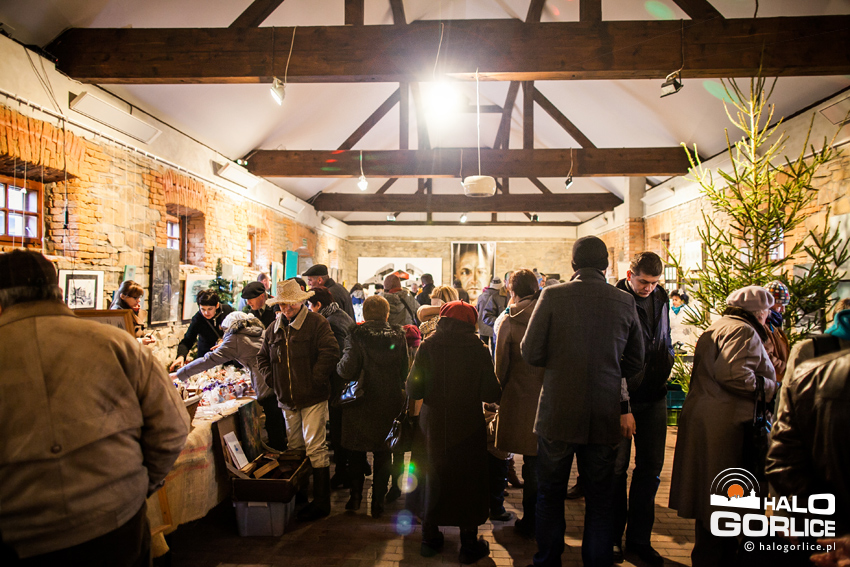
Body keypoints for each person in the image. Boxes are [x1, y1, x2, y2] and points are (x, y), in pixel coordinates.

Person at [0, 250, 189, 565]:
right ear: (57, 291)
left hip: (20, 532)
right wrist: (138, 484)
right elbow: (173, 427)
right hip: (115, 519)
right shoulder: (116, 342)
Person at [521, 235, 642, 567]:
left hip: (558, 408)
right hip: (604, 410)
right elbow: (636, 360)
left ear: (573, 264)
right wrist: (608, 370)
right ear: (606, 265)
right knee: (600, 498)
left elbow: (530, 352)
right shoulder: (624, 301)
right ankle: (597, 561)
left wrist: (559, 363)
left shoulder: (553, 295)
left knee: (550, 493)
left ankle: (548, 560)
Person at [669, 286, 778, 567]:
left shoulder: (721, 325)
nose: (768, 317)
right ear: (758, 312)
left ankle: (710, 556)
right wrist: (772, 387)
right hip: (727, 424)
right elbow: (734, 374)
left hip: (711, 420)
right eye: (766, 312)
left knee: (713, 500)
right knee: (725, 499)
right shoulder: (743, 331)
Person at [407, 301, 501, 564]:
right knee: (467, 480)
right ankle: (468, 543)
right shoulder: (479, 349)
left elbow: (414, 390)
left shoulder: (428, 346)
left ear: (443, 319)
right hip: (467, 425)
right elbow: (491, 392)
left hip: (433, 425)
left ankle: (429, 538)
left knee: (431, 476)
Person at [256, 280, 341, 521]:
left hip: (313, 397)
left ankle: (322, 503)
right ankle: (300, 496)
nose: (286, 308)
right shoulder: (273, 328)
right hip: (286, 399)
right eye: (282, 304)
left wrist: (315, 379)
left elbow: (330, 352)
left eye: (291, 303)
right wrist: (273, 380)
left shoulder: (317, 323)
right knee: (294, 448)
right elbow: (262, 358)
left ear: (301, 301)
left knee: (315, 447)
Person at [612, 252, 674, 565]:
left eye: (654, 282)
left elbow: (663, 335)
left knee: (650, 470)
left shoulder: (661, 297)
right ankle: (612, 538)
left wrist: (667, 361)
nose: (649, 288)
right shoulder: (615, 300)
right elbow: (613, 355)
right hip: (623, 398)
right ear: (629, 274)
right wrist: (623, 403)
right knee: (616, 470)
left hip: (655, 394)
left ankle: (639, 539)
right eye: (644, 281)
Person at [766, 348, 850, 565]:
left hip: (821, 532)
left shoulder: (811, 373)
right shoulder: (812, 368)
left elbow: (782, 461)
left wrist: (808, 520)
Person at [171, 311, 287, 450]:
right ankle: (283, 450)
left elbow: (208, 360)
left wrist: (179, 374)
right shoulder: (258, 332)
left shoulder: (235, 339)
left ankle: (278, 452)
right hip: (278, 380)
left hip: (265, 382)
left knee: (273, 420)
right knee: (279, 418)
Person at [336, 295, 408, 517]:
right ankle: (378, 502)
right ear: (387, 314)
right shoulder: (399, 336)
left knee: (357, 452)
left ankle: (355, 498)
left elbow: (346, 370)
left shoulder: (356, 336)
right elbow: (405, 371)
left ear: (364, 314)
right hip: (389, 401)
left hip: (360, 401)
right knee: (383, 453)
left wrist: (339, 365)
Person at [494, 268, 545, 538]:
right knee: (542, 462)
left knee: (526, 461)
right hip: (549, 397)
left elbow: (500, 366)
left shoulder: (510, 319)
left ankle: (529, 520)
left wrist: (496, 395)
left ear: (511, 291)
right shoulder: (550, 315)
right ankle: (543, 518)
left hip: (519, 397)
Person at [307, 286, 358, 490]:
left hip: (339, 385)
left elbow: (336, 357)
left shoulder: (330, 323)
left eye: (310, 305)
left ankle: (343, 473)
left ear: (318, 305)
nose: (309, 310)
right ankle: (349, 469)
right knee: (343, 429)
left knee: (339, 431)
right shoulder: (341, 315)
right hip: (346, 384)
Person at [169, 289, 234, 371]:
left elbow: (239, 332)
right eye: (203, 309)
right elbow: (187, 340)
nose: (206, 313)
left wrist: (226, 341)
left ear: (217, 306)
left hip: (228, 358)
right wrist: (181, 356)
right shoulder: (198, 319)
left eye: (210, 309)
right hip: (206, 358)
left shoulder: (228, 311)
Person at [110, 279, 155, 345]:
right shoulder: (117, 313)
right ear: (123, 296)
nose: (139, 300)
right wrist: (139, 341)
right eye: (135, 298)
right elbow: (119, 340)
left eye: (140, 297)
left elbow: (138, 332)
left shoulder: (133, 310)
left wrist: (146, 336)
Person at [763, 280, 791, 382]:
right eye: (780, 305)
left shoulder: (773, 325)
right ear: (769, 304)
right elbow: (766, 357)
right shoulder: (763, 326)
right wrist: (788, 369)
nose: (783, 310)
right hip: (773, 379)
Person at [476, 277, 507, 358]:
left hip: (482, 326)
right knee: (495, 350)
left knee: (482, 350)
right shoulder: (500, 297)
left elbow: (477, 310)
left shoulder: (481, 296)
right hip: (494, 326)